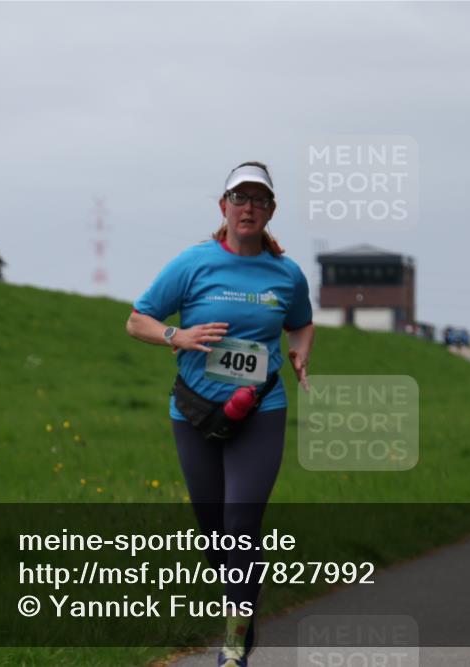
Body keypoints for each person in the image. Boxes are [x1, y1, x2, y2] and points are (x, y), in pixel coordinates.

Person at [127, 161, 313, 667]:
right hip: (195, 410)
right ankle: (245, 599)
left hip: (261, 408)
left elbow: (301, 322)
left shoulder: (286, 274)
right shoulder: (193, 264)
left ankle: (233, 645)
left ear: (271, 211)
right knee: (214, 533)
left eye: (259, 199)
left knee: (241, 521)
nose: (248, 207)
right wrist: (177, 335)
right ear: (223, 206)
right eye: (239, 197)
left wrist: (300, 350)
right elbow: (137, 320)